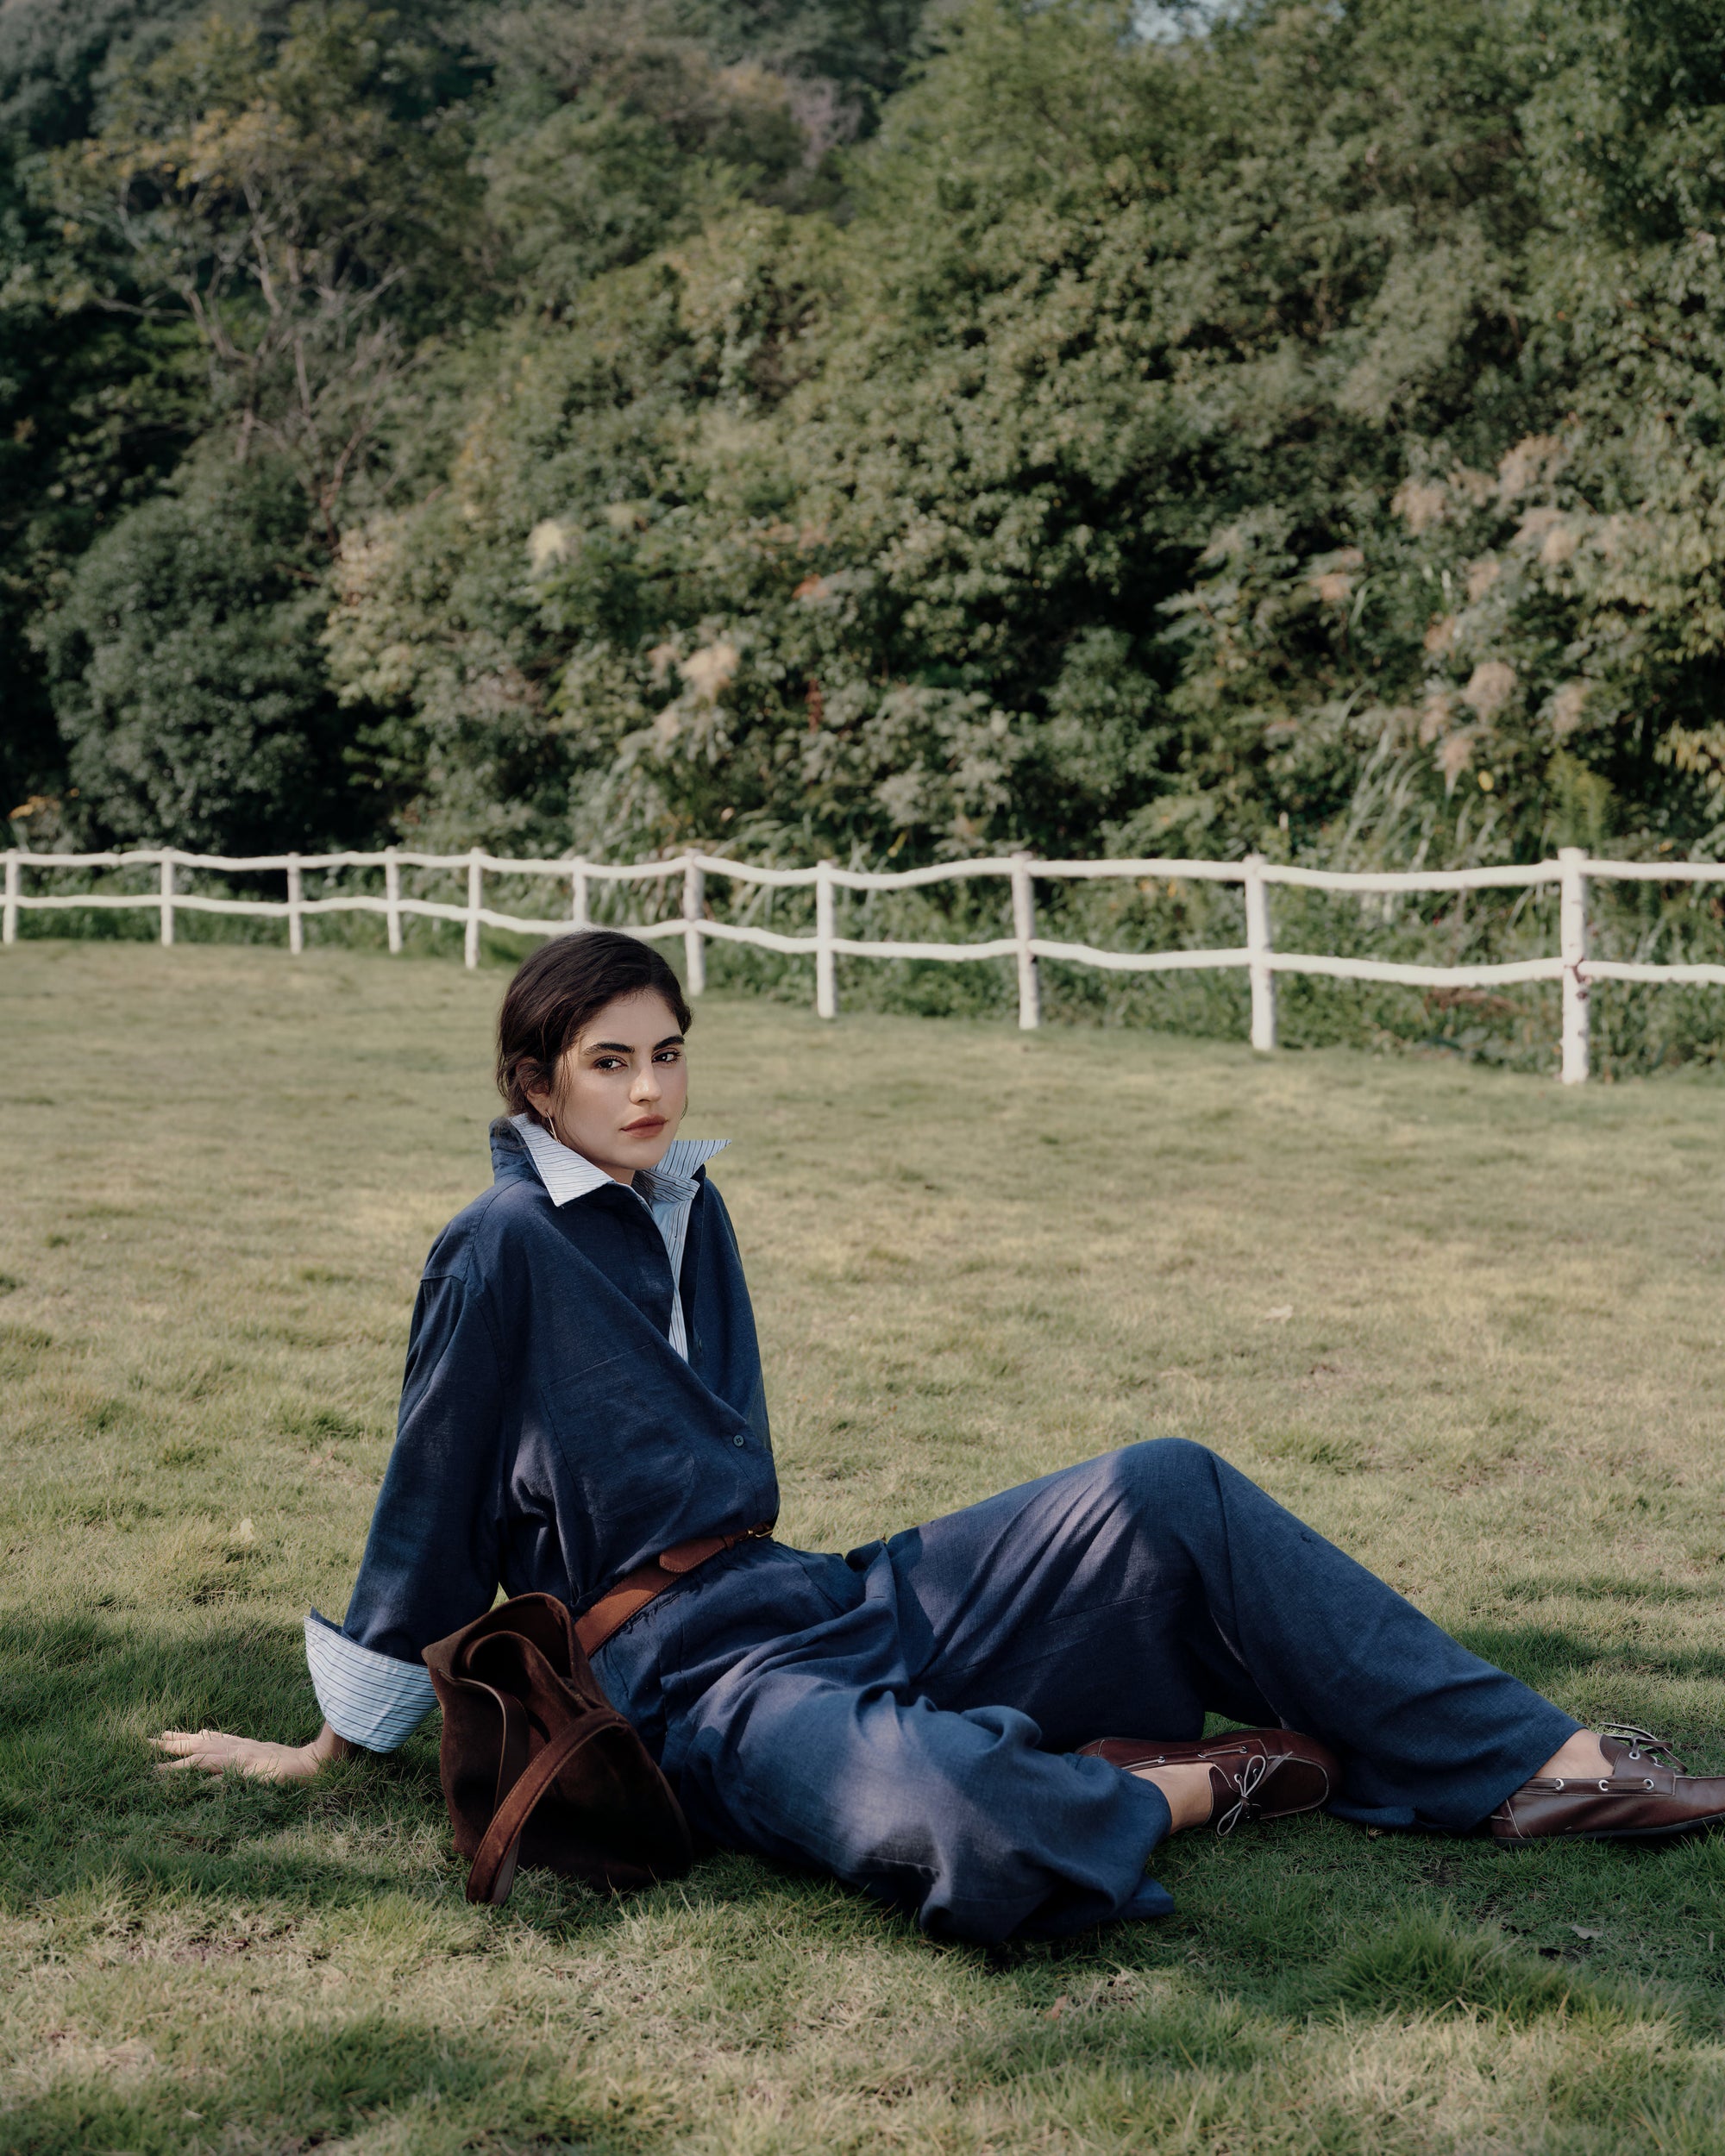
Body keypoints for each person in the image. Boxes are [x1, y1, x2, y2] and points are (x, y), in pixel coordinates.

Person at [156, 932, 1725, 1943]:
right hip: (689, 1680)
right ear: (535, 1085)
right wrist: (334, 1739)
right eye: (609, 1062)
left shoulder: (693, 1216)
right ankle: (1198, 1784)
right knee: (942, 1810)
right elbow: (430, 1490)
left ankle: (1544, 1766)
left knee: (1162, 1487)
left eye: (668, 1050)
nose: (649, 1088)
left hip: (815, 1598)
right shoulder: (500, 1241)